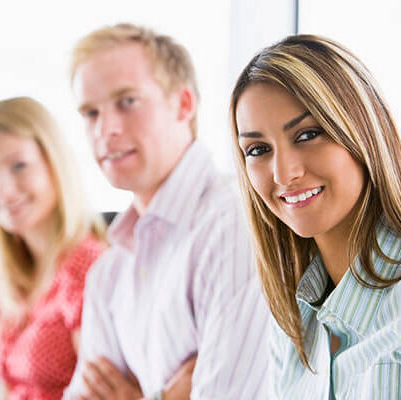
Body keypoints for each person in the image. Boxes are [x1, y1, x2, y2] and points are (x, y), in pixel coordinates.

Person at [64, 23, 269, 399]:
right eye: (91, 113)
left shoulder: (234, 225)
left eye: (127, 101)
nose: (105, 129)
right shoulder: (109, 272)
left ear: (184, 104)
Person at [231, 34, 401, 399]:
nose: (282, 173)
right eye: (258, 149)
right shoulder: (292, 319)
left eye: (308, 134)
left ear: (362, 131)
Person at [0, 97, 106, 400]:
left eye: (19, 166)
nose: (3, 190)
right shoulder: (9, 274)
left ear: (54, 164)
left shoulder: (89, 268)